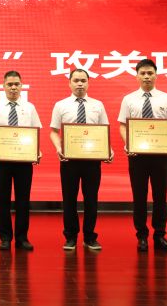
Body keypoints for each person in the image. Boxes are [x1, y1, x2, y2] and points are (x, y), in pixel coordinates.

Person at [118, 58, 167, 253]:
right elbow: (122, 126)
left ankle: (160, 235)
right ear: (137, 76)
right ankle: (142, 236)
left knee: (160, 196)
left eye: (150, 73)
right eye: (143, 73)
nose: (146, 77)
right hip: (137, 155)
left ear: (156, 75)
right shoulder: (128, 99)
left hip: (161, 155)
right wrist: (128, 144)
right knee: (139, 196)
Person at [49, 69, 113, 251]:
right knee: (69, 199)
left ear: (88, 83)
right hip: (69, 160)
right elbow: (53, 132)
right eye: (76, 80)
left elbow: (103, 132)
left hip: (92, 160)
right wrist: (59, 148)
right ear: (69, 83)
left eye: (83, 81)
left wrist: (108, 150)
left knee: (91, 199)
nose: (79, 84)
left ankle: (90, 237)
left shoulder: (98, 105)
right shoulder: (60, 105)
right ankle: (70, 237)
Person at [0, 71, 42, 251]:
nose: (13, 87)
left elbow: (35, 132)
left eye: (17, 84)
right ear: (3, 86)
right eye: (10, 84)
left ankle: (22, 238)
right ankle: (5, 238)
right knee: (3, 200)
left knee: (23, 200)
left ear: (21, 86)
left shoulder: (30, 107)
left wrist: (36, 151)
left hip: (24, 161)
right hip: (1, 161)